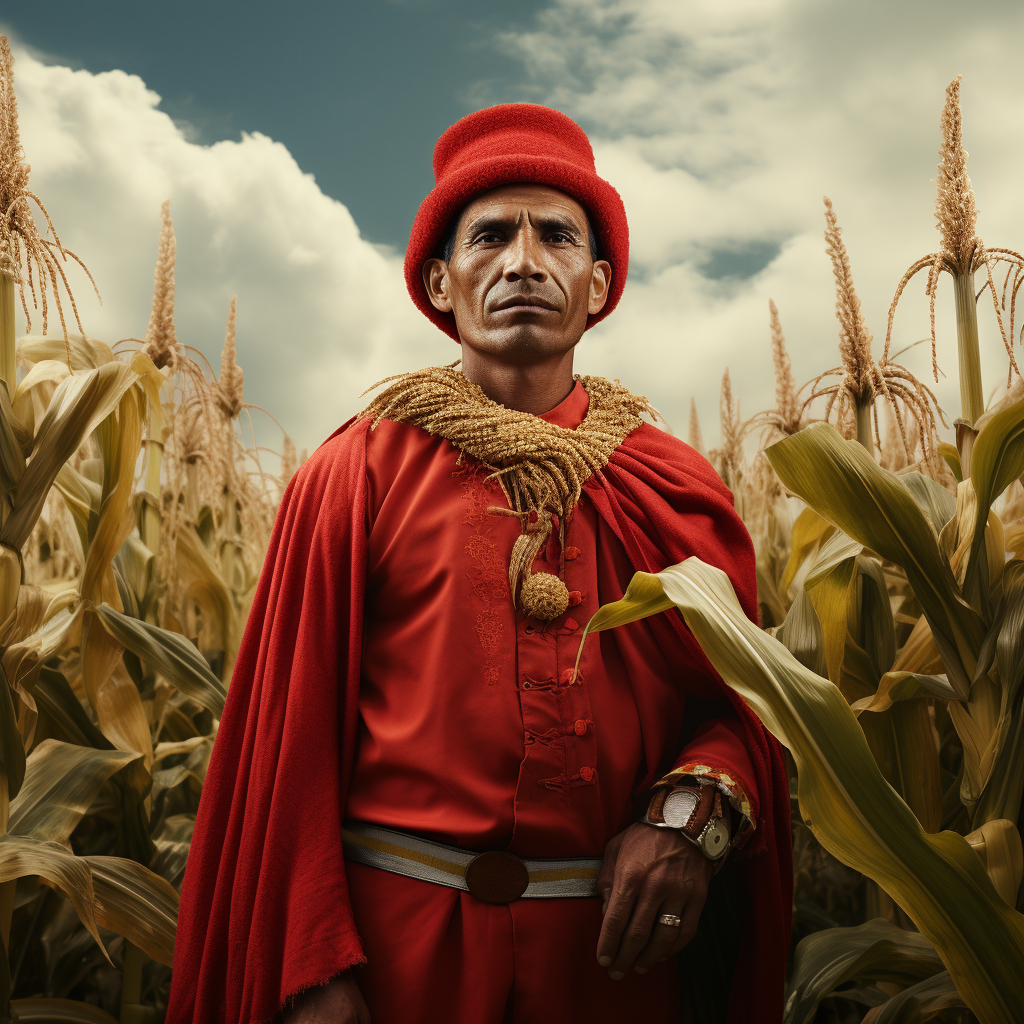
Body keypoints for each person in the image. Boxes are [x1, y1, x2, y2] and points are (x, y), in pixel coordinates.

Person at [166, 104, 792, 1024]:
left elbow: (745, 705)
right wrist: (308, 972)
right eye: (491, 235)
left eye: (558, 238)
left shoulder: (673, 485)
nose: (524, 261)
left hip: (613, 971)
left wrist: (686, 825)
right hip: (396, 961)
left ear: (599, 283)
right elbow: (288, 748)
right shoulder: (355, 473)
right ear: (441, 281)